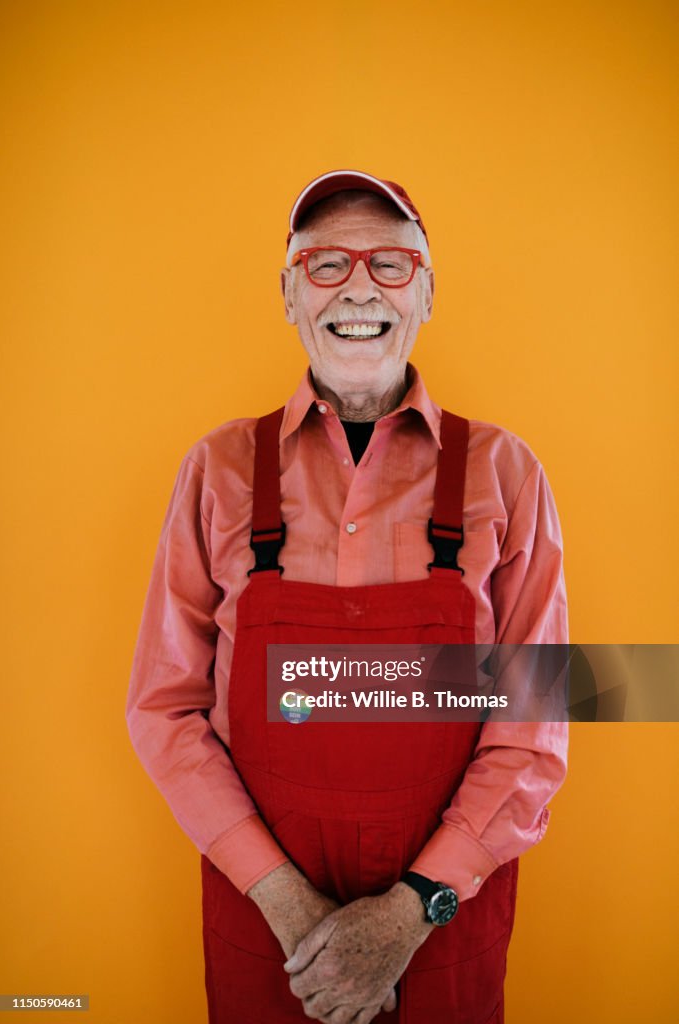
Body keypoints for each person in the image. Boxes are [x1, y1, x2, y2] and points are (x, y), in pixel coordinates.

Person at [126, 169, 569, 1024]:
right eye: (325, 264)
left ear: (428, 292)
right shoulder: (217, 471)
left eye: (391, 264)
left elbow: (537, 723)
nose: (358, 286)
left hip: (444, 928)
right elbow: (163, 709)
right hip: (271, 931)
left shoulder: (507, 474)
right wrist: (287, 902)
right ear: (288, 295)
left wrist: (412, 911)